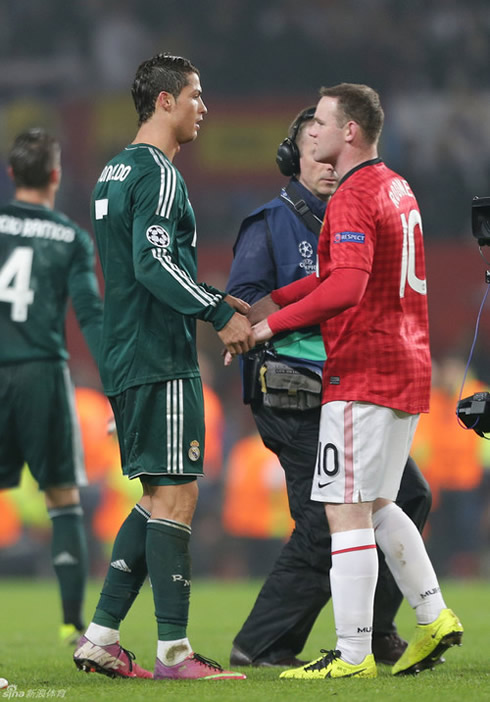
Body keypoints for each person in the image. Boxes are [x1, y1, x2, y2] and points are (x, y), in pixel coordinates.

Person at [246, 84, 463, 679]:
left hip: (363, 371)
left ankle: (351, 653)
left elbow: (346, 288)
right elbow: (337, 274)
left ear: (350, 133)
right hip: (407, 367)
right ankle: (434, 614)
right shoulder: (396, 185)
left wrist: (268, 328)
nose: (309, 131)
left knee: (343, 512)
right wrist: (276, 298)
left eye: (318, 121)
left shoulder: (350, 195)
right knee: (379, 505)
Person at [73, 52, 253, 681]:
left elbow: (132, 269)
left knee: (157, 497)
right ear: (164, 101)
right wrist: (216, 309)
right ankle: (174, 654)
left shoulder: (109, 173)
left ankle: (99, 636)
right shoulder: (159, 173)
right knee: (178, 497)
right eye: (196, 95)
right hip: (159, 352)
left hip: (126, 352)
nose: (204, 106)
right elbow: (154, 265)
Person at [0, 128, 103, 645]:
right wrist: (118, 378)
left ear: (13, 173)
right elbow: (90, 314)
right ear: (56, 176)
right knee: (62, 497)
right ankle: (70, 622)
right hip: (42, 370)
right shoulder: (71, 238)